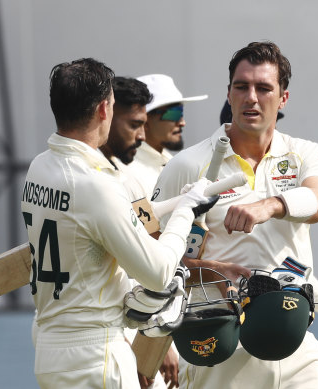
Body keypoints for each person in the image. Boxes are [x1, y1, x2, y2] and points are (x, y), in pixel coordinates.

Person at [153, 42, 318, 388]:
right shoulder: (186, 165)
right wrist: (212, 272)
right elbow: (147, 253)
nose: (251, 98)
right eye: (241, 86)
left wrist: (269, 206)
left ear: (283, 98)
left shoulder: (306, 152)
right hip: (220, 350)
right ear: (228, 94)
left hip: (295, 346)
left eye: (263, 88)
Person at [21, 58, 216, 389]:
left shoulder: (39, 168)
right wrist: (186, 211)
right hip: (96, 355)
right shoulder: (97, 185)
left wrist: (175, 202)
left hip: (49, 349)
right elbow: (158, 272)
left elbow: (96, 225)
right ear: (102, 110)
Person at [98, 76, 178, 389]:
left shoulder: (126, 180)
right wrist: (157, 338)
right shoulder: (99, 179)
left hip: (125, 330)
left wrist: (157, 338)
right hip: (106, 338)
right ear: (105, 113)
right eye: (134, 123)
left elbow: (153, 246)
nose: (141, 135)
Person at [127, 74, 207, 196]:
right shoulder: (128, 174)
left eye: (181, 111)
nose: (182, 122)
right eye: (173, 113)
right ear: (144, 120)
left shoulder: (170, 161)